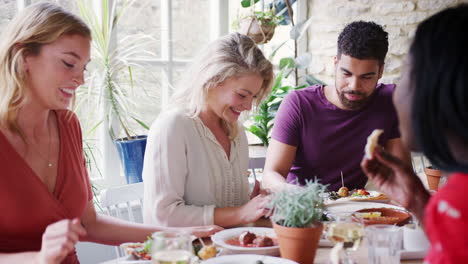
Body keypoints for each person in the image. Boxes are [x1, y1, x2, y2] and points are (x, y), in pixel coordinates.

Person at [0, 3, 220, 264]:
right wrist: (40, 259)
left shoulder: (68, 125)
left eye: (84, 68)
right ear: (24, 56)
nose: (80, 79)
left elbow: (89, 223)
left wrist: (178, 234)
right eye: (69, 63)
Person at [361, 4, 468, 263]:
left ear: (439, 88)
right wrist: (420, 202)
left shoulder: (459, 203)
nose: (395, 92)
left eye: (406, 73)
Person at [142, 32, 274, 227]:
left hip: (227, 251)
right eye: (242, 95)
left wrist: (250, 205)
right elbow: (164, 215)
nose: (248, 107)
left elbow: (224, 204)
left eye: (253, 97)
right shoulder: (172, 127)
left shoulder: (236, 132)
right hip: (181, 254)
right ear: (213, 79)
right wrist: (241, 213)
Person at [262, 21, 410, 192]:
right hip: (303, 209)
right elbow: (271, 176)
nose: (354, 85)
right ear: (335, 63)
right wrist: (303, 196)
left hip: (355, 212)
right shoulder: (299, 104)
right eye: (346, 73)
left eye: (366, 77)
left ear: (381, 71)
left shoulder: (390, 101)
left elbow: (402, 175)